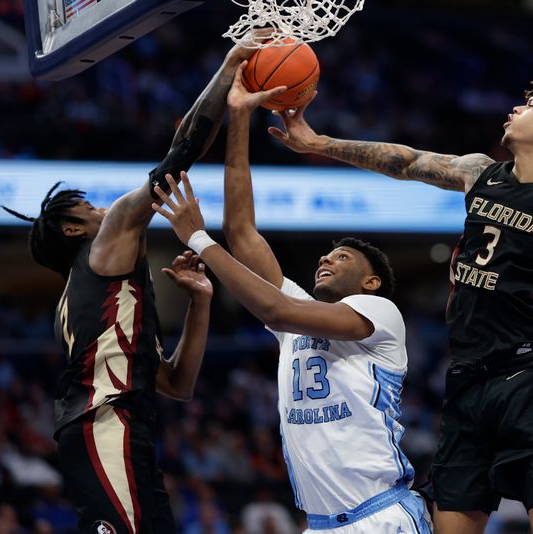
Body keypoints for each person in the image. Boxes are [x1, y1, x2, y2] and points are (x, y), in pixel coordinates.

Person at [266, 66, 533, 533]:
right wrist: (318, 142)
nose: (515, 109)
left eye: (529, 105)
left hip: (528, 378)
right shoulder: (479, 172)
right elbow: (404, 161)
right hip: (465, 380)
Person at [149, 61, 433, 533]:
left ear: (371, 282)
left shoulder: (379, 313)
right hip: (319, 522)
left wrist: (198, 239)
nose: (327, 259)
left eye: (342, 258)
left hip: (381, 515)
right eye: (327, 254)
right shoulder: (299, 319)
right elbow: (241, 232)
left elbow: (273, 307)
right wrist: (239, 117)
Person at [0, 44, 257, 532]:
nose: (103, 209)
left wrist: (200, 304)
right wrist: (226, 70)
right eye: (88, 209)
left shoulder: (99, 309)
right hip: (105, 427)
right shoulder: (106, 243)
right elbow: (179, 156)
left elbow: (177, 385)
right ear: (75, 231)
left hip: (121, 428)